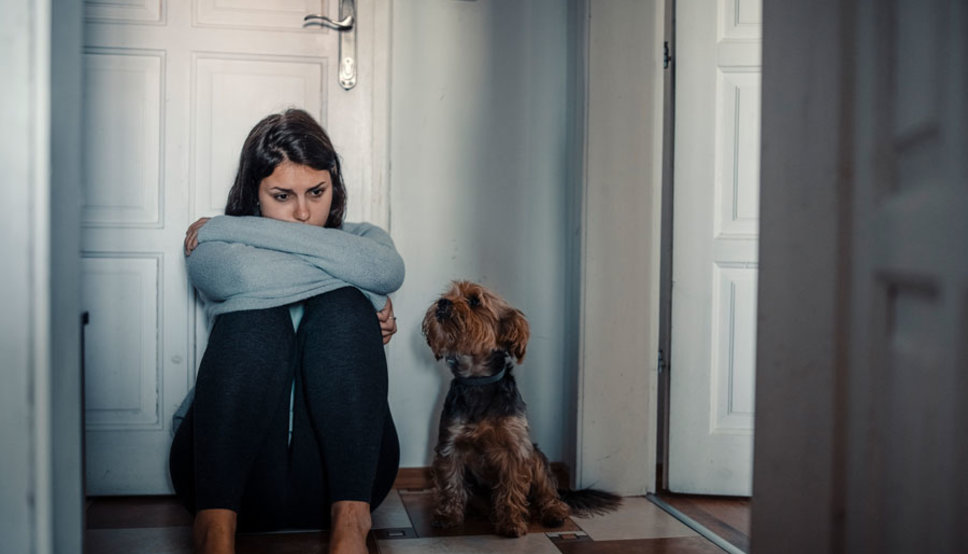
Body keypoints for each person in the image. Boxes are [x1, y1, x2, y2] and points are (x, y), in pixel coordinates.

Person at [169, 108, 405, 554]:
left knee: (342, 308)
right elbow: (236, 277)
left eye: (317, 191)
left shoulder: (362, 235)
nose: (303, 212)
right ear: (252, 194)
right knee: (258, 316)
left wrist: (233, 228)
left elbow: (387, 269)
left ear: (334, 184)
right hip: (226, 481)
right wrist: (368, 290)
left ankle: (351, 528)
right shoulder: (216, 245)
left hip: (346, 481)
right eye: (282, 195)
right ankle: (213, 531)